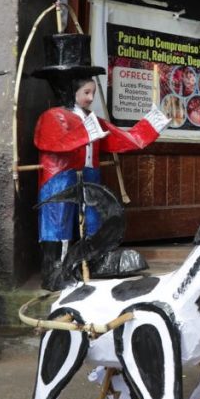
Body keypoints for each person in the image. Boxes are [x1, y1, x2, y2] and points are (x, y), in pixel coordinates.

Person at [34, 34, 170, 290]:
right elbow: (52, 142)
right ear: (70, 90)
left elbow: (119, 138)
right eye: (86, 93)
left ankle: (94, 261)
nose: (90, 98)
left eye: (92, 93)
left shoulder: (90, 118)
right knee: (58, 222)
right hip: (59, 177)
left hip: (89, 174)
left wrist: (151, 124)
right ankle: (55, 271)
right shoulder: (53, 116)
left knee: (95, 218)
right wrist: (86, 133)